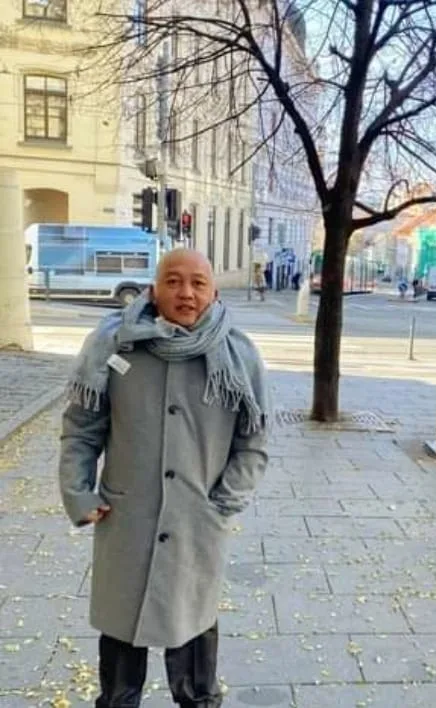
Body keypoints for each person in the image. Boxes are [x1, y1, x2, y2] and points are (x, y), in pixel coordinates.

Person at [58, 249, 270, 708]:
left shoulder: (238, 355)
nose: (186, 293)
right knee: (119, 661)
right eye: (173, 281)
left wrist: (223, 503)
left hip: (196, 526)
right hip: (127, 521)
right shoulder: (114, 346)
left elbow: (253, 443)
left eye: (198, 283)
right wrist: (78, 492)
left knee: (194, 652)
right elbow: (81, 428)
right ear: (154, 290)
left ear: (214, 292)